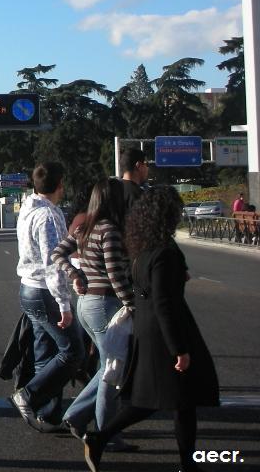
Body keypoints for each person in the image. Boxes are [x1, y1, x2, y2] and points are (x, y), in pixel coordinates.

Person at [84, 187, 219, 472]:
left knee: (171, 399)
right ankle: (101, 436)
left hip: (147, 326)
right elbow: (164, 302)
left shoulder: (143, 248)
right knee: (166, 398)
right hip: (165, 330)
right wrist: (179, 348)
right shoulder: (166, 252)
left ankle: (185, 461)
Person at [52, 178, 136, 451]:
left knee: (105, 368)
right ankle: (105, 432)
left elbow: (57, 254)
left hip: (86, 303)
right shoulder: (109, 230)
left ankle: (76, 416)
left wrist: (75, 273)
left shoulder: (84, 226)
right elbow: (115, 275)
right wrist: (132, 305)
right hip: (105, 304)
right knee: (112, 370)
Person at [12, 162, 84, 432]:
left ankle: (49, 414)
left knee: (46, 351)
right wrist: (64, 303)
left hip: (28, 288)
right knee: (72, 351)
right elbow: (53, 261)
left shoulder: (28, 209)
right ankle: (29, 396)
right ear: (59, 185)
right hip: (44, 291)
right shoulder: (48, 216)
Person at [117, 148, 148, 217]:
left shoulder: (112, 190)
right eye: (146, 164)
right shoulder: (140, 195)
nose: (147, 168)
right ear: (138, 165)